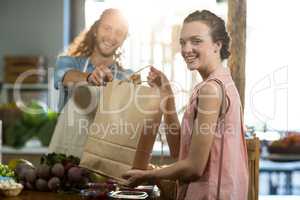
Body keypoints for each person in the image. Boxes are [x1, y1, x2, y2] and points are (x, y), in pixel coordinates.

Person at [122, 10, 249, 200]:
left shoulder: (210, 90)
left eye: (196, 41)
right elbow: (179, 151)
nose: (186, 49)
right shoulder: (220, 83)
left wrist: (147, 175)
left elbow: (194, 168)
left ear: (217, 45)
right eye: (183, 42)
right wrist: (168, 97)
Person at [54, 8, 132, 110]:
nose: (111, 37)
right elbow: (65, 77)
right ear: (96, 30)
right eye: (107, 28)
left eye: (119, 32)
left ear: (123, 40)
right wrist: (90, 78)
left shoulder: (128, 76)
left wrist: (158, 92)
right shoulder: (66, 62)